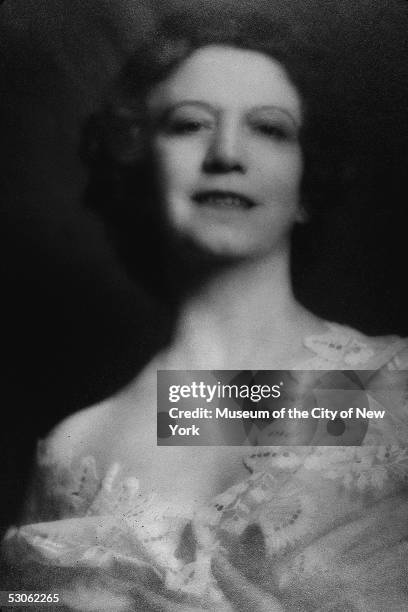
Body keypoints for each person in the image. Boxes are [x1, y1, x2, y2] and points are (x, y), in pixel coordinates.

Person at [2, 3, 408, 610]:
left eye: (269, 128)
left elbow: (239, 406)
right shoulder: (74, 448)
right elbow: (19, 602)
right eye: (190, 124)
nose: (226, 153)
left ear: (305, 184)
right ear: (141, 165)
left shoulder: (388, 386)